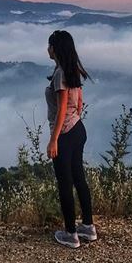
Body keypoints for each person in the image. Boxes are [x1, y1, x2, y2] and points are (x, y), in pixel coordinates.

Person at [45, 30, 96, 248]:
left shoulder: (59, 75)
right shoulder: (74, 70)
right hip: (78, 129)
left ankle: (71, 234)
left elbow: (62, 108)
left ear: (55, 49)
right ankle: (88, 227)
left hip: (65, 134)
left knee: (65, 184)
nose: (47, 49)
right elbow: (80, 103)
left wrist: (54, 139)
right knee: (79, 179)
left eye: (49, 45)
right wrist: (73, 123)